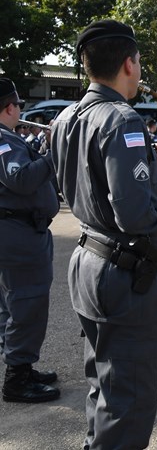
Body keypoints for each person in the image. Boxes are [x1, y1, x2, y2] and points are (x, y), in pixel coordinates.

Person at [50, 19, 157, 449]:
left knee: (103, 388)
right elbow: (135, 215)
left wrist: (144, 155)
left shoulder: (65, 117)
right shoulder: (123, 119)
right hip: (122, 278)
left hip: (88, 262)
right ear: (129, 63)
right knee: (128, 402)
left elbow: (84, 181)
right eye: (139, 61)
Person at [0, 79, 61, 404]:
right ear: (10, 108)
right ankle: (17, 379)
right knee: (27, 303)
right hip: (19, 235)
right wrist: (54, 154)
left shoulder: (10, 140)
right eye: (19, 105)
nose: (21, 111)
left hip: (21, 232)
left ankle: (21, 364)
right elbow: (20, 179)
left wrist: (40, 150)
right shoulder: (3, 141)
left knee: (17, 304)